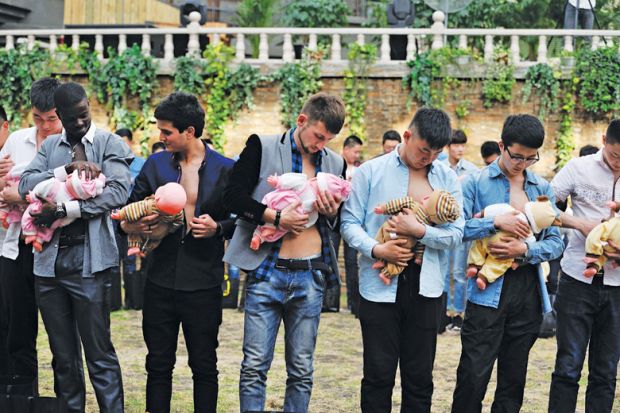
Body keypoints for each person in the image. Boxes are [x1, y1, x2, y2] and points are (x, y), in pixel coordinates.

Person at [223, 93, 346, 413]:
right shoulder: (261, 147)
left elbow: (338, 220)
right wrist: (274, 217)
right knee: (254, 367)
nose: (322, 144)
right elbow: (233, 197)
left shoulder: (335, 163)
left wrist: (332, 211)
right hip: (267, 271)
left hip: (310, 275)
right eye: (318, 136)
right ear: (301, 120)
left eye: (329, 139)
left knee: (302, 371)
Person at [18, 81, 131, 413]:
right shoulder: (51, 145)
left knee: (99, 355)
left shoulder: (110, 142)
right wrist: (63, 170)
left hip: (90, 262)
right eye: (72, 118)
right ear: (60, 116)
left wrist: (68, 209)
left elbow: (119, 192)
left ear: (89, 106)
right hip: (48, 266)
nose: (80, 123)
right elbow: (25, 184)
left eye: (84, 115)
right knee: (63, 357)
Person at [342, 107, 464, 412]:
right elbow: (349, 223)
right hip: (378, 283)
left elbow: (457, 234)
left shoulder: (447, 177)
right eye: (424, 150)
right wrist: (376, 249)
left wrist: (420, 231)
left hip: (427, 288)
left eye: (436, 153)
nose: (429, 159)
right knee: (377, 376)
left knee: (420, 378)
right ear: (407, 136)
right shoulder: (371, 171)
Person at [121, 92, 234, 413]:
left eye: (167, 131)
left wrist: (219, 228)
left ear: (190, 132)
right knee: (157, 365)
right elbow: (127, 211)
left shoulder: (227, 169)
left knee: (204, 366)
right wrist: (135, 227)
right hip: (158, 280)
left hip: (204, 282)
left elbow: (244, 221)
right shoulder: (155, 164)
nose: (161, 137)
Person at [451, 114, 564, 412]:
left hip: (526, 289)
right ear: (502, 145)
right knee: (473, 374)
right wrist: (493, 222)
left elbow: (556, 242)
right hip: (486, 290)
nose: (522, 164)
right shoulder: (475, 182)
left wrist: (524, 251)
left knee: (514, 379)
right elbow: (457, 229)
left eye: (530, 158)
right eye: (516, 156)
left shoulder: (542, 187)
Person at [548, 119, 620, 413]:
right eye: (616, 156)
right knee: (568, 366)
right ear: (604, 140)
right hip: (577, 280)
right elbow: (541, 206)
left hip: (618, 288)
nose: (619, 164)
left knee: (605, 372)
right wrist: (578, 223)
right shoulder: (579, 168)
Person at [0, 78, 63, 396]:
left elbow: (64, 197)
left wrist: (20, 195)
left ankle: (67, 393)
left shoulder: (71, 146)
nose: (45, 126)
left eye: (51, 118)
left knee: (60, 328)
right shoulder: (18, 140)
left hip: (57, 247)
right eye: (38, 118)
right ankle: (21, 393)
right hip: (15, 245)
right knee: (16, 323)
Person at [441, 129, 478, 332]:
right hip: (443, 225)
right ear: (448, 147)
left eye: (463, 145)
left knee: (460, 272)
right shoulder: (439, 168)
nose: (460, 149)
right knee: (444, 269)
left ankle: (458, 313)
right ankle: (444, 311)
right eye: (456, 145)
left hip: (463, 226)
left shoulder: (472, 170)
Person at [338, 135, 363, 315]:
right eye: (355, 151)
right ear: (346, 149)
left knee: (352, 261)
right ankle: (328, 302)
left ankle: (354, 304)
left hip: (351, 218)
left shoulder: (360, 169)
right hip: (333, 216)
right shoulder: (334, 164)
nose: (357, 155)